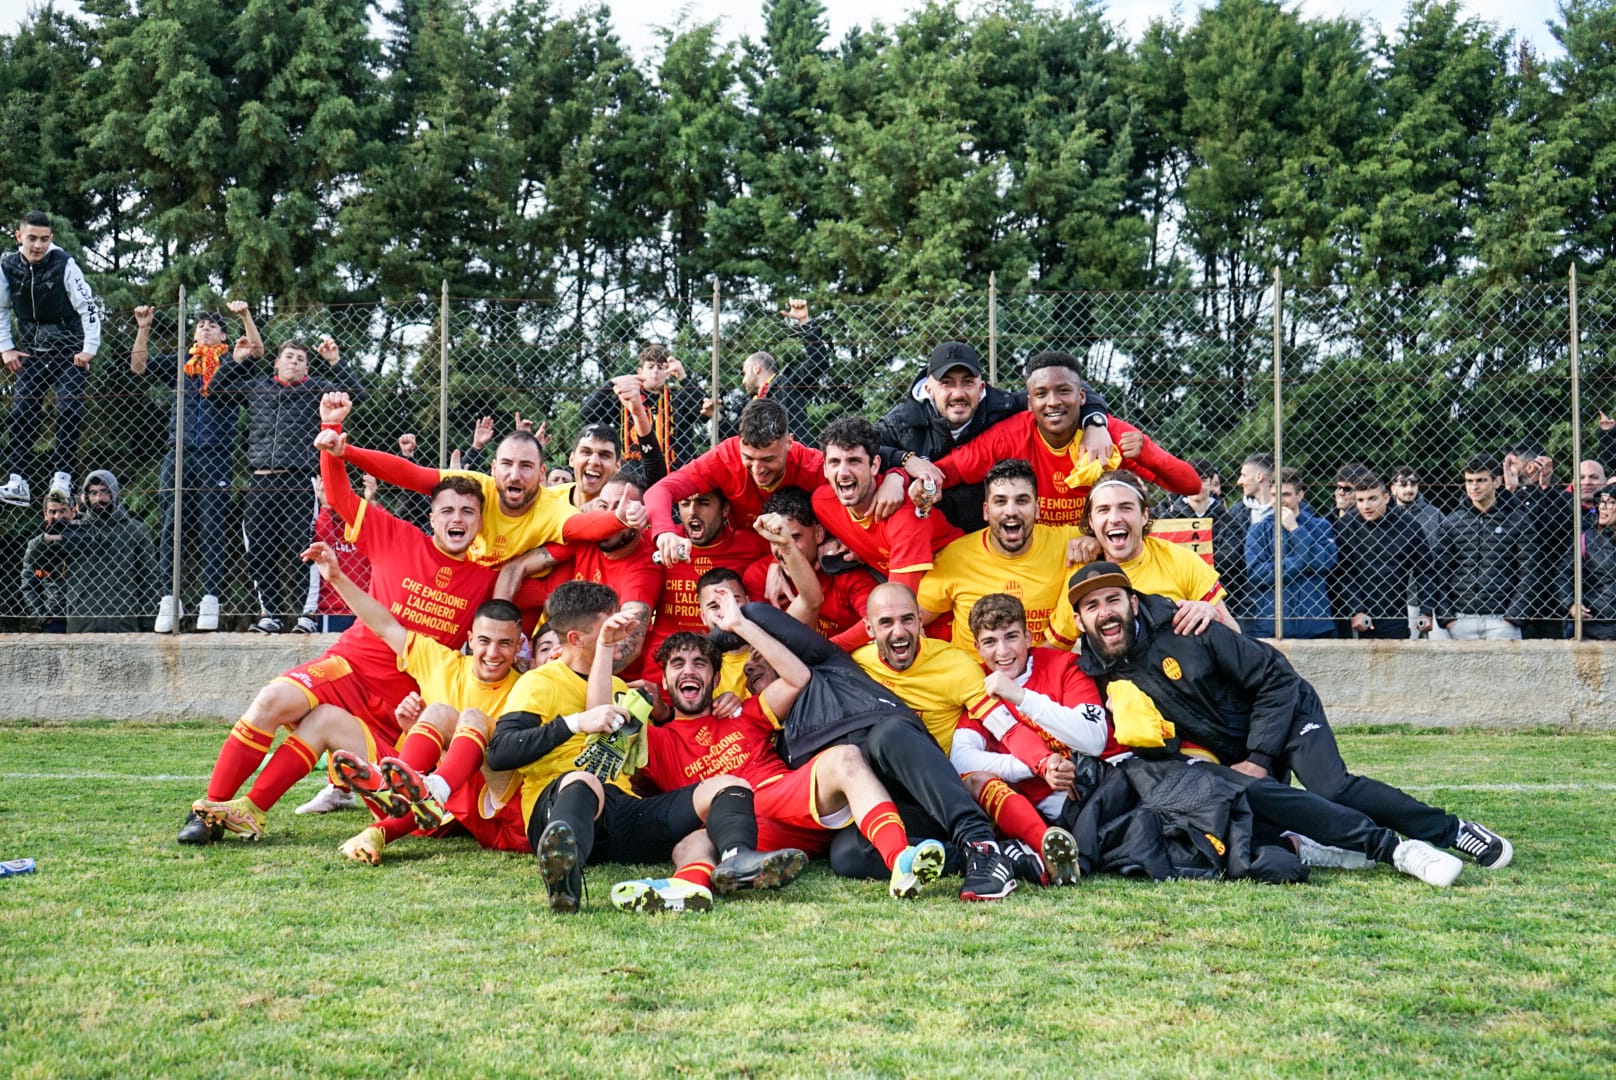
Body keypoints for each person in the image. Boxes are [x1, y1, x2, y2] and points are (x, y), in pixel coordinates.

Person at [180, 394, 502, 845]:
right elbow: (338, 497)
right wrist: (330, 444)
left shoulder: (489, 579)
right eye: (447, 509)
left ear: (480, 522)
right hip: (351, 664)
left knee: (323, 724)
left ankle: (255, 808)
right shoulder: (396, 535)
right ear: (431, 517)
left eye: (468, 512)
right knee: (273, 699)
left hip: (403, 710)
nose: (457, 518)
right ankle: (214, 810)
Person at [1067, 560, 1513, 873]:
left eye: (1113, 600)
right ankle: (1328, 849)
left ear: (1134, 602)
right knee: (1246, 811)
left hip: (1286, 707)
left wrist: (1260, 756)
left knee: (1332, 787)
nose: (1105, 612)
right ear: (1081, 620)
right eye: (1093, 607)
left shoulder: (1187, 626)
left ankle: (1453, 830)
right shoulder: (1097, 672)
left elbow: (1275, 677)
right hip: (1233, 746)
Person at [613, 593, 949, 909]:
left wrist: (741, 626)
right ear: (666, 681)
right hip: (738, 829)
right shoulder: (654, 740)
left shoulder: (743, 712)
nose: (689, 670)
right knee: (691, 843)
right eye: (678, 664)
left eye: (700, 663)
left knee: (845, 757)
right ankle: (688, 887)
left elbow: (799, 677)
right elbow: (607, 742)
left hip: (783, 798)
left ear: (716, 679)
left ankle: (900, 860)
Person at [484, 581, 804, 913]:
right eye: (608, 626)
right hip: (562, 809)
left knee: (731, 786)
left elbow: (613, 729)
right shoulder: (540, 681)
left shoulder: (621, 687)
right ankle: (565, 878)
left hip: (619, 813)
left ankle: (738, 861)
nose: (620, 631)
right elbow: (501, 752)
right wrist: (574, 723)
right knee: (584, 781)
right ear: (577, 639)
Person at [722, 596, 1022, 900]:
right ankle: (997, 858)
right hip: (892, 815)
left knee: (887, 734)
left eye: (760, 655)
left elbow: (759, 613)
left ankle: (981, 845)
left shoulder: (830, 664)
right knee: (846, 854)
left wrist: (726, 631)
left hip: (920, 786)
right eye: (747, 667)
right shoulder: (777, 743)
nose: (750, 667)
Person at [296, 540, 530, 866]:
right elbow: (384, 624)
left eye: (505, 644)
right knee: (434, 713)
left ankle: (405, 793)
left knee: (469, 719)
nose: (493, 653)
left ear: (519, 645)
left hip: (494, 805)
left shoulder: (528, 688)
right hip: (442, 801)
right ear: (470, 640)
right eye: (485, 642)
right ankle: (385, 818)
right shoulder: (441, 661)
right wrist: (336, 578)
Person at [923, 351, 1200, 528]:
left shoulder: (1111, 435)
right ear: (1029, 402)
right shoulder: (1009, 435)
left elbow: (1190, 484)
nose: (1053, 402)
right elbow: (951, 470)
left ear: (1082, 396)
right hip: (1034, 553)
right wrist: (908, 476)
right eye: (1042, 394)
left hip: (1096, 553)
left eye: (1063, 391)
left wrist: (1146, 454)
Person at [876, 340, 1112, 533]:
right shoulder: (902, 420)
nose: (958, 393)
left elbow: (1066, 388)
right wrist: (904, 463)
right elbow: (864, 452)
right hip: (924, 529)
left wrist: (1095, 422)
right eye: (947, 384)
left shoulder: (1005, 406)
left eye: (967, 383)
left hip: (988, 531)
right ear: (929, 388)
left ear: (981, 388)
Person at [213, 334, 363, 633]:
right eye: (289, 356)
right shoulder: (258, 386)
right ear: (277, 362)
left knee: (304, 548)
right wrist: (236, 359)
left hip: (299, 479)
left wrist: (334, 362)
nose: (294, 362)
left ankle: (307, 615)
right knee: (258, 549)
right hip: (260, 480)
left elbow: (356, 394)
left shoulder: (315, 389)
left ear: (306, 368)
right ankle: (270, 614)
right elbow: (216, 390)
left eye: (300, 359)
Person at [954, 593, 1104, 885]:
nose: (1002, 651)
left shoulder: (1064, 666)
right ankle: (1045, 845)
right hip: (1030, 806)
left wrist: (1018, 695)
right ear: (977, 647)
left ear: (1028, 636)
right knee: (975, 780)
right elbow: (961, 757)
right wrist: (1039, 765)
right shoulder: (977, 685)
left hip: (1089, 791)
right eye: (990, 642)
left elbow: (1094, 739)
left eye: (1011, 637)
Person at [130, 303, 262, 633]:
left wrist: (245, 317)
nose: (205, 328)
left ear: (223, 335)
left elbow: (258, 351)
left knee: (211, 526)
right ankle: (169, 598)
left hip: (216, 454)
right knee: (172, 525)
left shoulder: (236, 362)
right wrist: (143, 328)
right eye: (200, 324)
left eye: (213, 325)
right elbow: (138, 366)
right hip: (178, 453)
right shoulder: (182, 363)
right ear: (193, 333)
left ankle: (210, 599)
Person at [645, 398, 905, 560]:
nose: (757, 469)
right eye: (749, 458)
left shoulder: (815, 466)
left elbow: (867, 478)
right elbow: (659, 491)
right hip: (750, 561)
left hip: (804, 561)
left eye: (768, 459)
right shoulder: (724, 455)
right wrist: (664, 533)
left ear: (789, 443)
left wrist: (898, 476)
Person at [1046, 470, 1236, 648]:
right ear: (1091, 521)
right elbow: (1057, 645)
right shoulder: (1083, 570)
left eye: (1126, 508)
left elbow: (1235, 634)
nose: (1114, 518)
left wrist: (1211, 614)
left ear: (1144, 515)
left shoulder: (1181, 561)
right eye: (1103, 510)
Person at [916, 458, 1083, 652]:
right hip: (973, 675)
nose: (1011, 511)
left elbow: (1116, 534)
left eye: (1021, 501)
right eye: (1000, 501)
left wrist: (1095, 542)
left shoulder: (1067, 542)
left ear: (1037, 509)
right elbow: (911, 619)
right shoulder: (955, 557)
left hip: (1042, 672)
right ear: (986, 511)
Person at [0, 211, 100, 507]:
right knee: (21, 414)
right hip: (30, 352)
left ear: (51, 239)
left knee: (68, 412)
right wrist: (5, 346)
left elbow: (89, 306)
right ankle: (18, 480)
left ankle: (63, 479)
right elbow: (1, 309)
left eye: (44, 239)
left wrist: (89, 348)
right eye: (32, 238)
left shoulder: (64, 264)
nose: (38, 246)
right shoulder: (6, 264)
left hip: (69, 353)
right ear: (19, 237)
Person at [812, 417, 962, 593]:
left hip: (951, 591)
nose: (843, 472)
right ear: (824, 469)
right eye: (834, 462)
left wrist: (899, 474)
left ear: (875, 465)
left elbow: (899, 607)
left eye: (854, 461)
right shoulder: (821, 503)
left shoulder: (907, 516)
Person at [741, 487, 879, 648]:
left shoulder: (844, 570)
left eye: (794, 538)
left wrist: (826, 651)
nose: (783, 549)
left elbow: (877, 620)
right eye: (774, 539)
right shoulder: (759, 575)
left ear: (819, 533)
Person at [41, 470, 157, 633]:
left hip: (124, 627)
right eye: (93, 493)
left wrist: (148, 624)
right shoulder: (73, 530)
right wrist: (48, 616)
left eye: (104, 492)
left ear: (114, 493)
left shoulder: (135, 530)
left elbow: (148, 579)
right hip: (80, 627)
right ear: (85, 496)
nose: (99, 499)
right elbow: (47, 572)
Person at [1437, 456, 1531, 641]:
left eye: (1481, 480)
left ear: (1496, 481)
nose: (1474, 487)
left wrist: (1513, 617)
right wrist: (1447, 618)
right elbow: (1440, 571)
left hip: (1502, 619)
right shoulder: (1452, 523)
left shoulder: (1518, 521)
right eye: (1469, 481)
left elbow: (1531, 571)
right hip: (1461, 618)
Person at [1334, 472, 1436, 639]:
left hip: (1394, 613)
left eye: (1372, 499)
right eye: (1360, 500)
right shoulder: (1346, 526)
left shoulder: (1408, 526)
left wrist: (1426, 611)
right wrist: (1356, 609)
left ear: (1386, 498)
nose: (1366, 506)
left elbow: (1425, 571)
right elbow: (1344, 573)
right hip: (1354, 613)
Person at [580, 343, 705, 478]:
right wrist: (612, 383)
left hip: (675, 471)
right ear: (640, 372)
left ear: (668, 374)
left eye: (661, 367)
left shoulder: (678, 398)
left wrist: (682, 376)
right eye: (650, 367)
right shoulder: (626, 399)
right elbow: (587, 413)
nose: (655, 371)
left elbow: (705, 408)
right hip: (634, 472)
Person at [1243, 468, 1337, 638]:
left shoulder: (1320, 526)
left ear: (1299, 496)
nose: (1279, 501)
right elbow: (1257, 574)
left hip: (1315, 625)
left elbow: (1324, 562)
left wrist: (1295, 530)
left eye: (1285, 495)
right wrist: (1301, 562)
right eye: (1274, 495)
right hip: (1272, 625)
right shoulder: (1258, 531)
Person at [729, 298, 828, 448]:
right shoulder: (749, 405)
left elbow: (818, 362)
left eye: (744, 372)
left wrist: (805, 323)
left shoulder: (788, 383)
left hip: (795, 458)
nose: (743, 381)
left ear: (756, 368)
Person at [20, 490, 75, 632]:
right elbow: (28, 586)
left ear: (73, 512)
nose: (58, 516)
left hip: (84, 617)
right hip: (54, 619)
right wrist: (43, 618)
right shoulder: (35, 545)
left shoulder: (86, 540)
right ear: (45, 515)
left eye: (63, 510)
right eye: (52, 511)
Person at [1571, 482, 1616, 640]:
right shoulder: (1584, 538)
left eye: (1610, 502)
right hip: (1595, 628)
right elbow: (1563, 575)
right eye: (1601, 502)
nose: (1602, 507)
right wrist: (1571, 604)